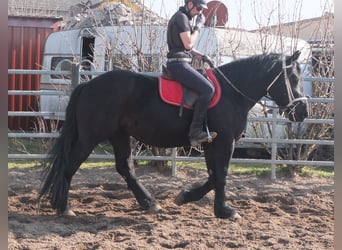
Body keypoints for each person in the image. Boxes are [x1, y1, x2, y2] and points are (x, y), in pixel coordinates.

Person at [166, 0, 217, 147]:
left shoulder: (182, 18)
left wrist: (203, 56)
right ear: (189, 5)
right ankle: (195, 132)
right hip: (179, 64)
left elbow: (186, 47)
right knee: (208, 89)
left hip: (181, 61)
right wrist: (198, 26)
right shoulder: (181, 17)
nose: (199, 12)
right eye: (199, 8)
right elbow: (188, 43)